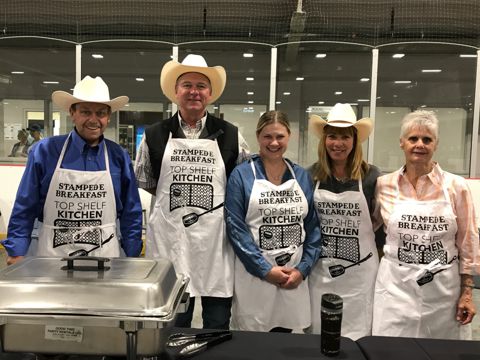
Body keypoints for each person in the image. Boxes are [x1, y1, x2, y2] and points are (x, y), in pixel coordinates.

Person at [134, 54, 249, 330]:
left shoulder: (232, 134)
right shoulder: (154, 134)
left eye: (201, 85)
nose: (194, 91)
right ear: (176, 92)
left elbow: (243, 182)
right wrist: (177, 204)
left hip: (216, 243)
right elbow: (146, 179)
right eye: (187, 85)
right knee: (176, 319)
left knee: (217, 322)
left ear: (210, 94)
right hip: (173, 240)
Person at [2, 76, 143, 265]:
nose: (93, 120)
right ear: (72, 113)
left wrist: (133, 253)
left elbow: (130, 211)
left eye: (100, 113)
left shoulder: (118, 156)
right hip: (53, 257)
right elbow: (26, 205)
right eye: (86, 112)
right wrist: (16, 249)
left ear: (108, 117)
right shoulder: (45, 152)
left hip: (104, 256)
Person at [372, 110, 479, 339]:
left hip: (442, 293)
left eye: (427, 139)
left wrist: (467, 293)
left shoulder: (456, 186)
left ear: (436, 144)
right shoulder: (384, 184)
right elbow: (368, 227)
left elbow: (468, 242)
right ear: (402, 142)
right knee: (391, 350)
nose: (419, 144)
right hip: (395, 290)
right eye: (413, 138)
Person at [225, 110, 321, 332]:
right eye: (267, 136)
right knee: (253, 343)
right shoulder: (241, 175)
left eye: (280, 136)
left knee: (288, 345)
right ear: (258, 137)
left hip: (293, 277)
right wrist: (265, 270)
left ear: (289, 136)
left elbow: (313, 228)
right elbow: (235, 228)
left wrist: (302, 270)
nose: (274, 142)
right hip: (255, 277)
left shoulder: (301, 176)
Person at [307, 103, 381, 340]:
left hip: (360, 273)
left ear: (355, 140)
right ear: (324, 140)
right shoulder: (311, 175)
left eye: (345, 137)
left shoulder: (371, 176)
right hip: (321, 270)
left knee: (358, 333)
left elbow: (380, 224)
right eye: (332, 136)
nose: (338, 143)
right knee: (320, 331)